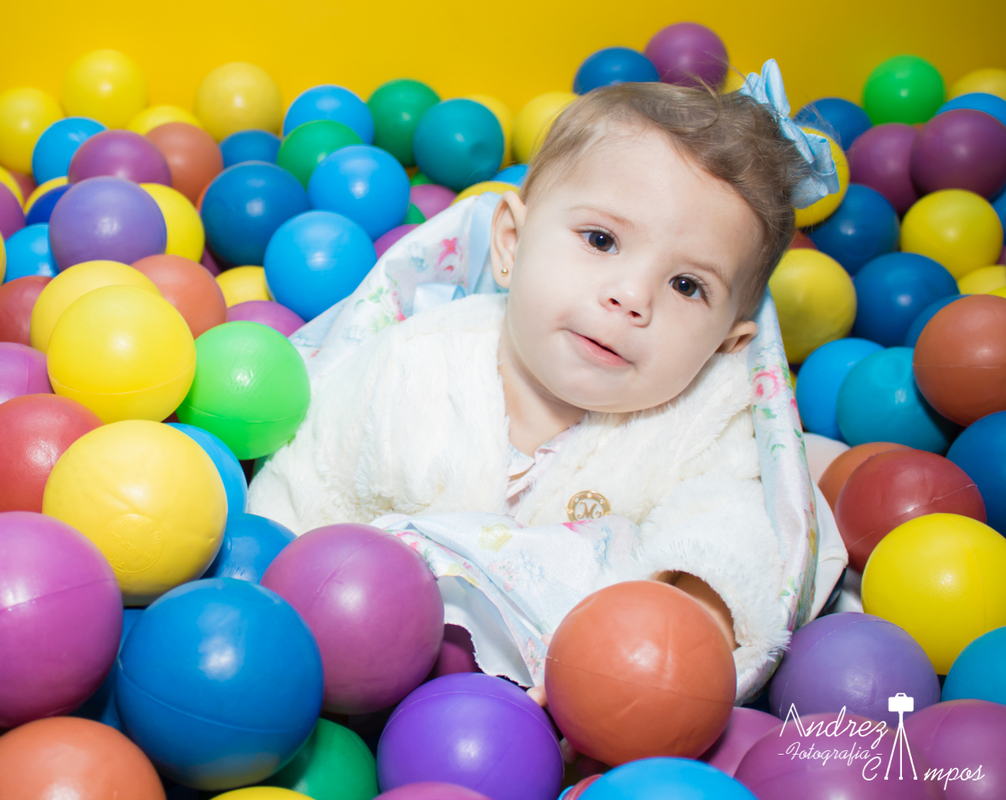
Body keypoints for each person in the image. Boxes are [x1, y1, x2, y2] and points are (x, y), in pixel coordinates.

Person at [247, 60, 849, 705]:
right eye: (600, 239)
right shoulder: (413, 366)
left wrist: (684, 633)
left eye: (686, 286)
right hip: (362, 661)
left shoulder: (699, 423)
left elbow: (730, 532)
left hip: (587, 698)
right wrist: (278, 613)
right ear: (511, 242)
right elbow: (309, 483)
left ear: (724, 346)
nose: (630, 296)